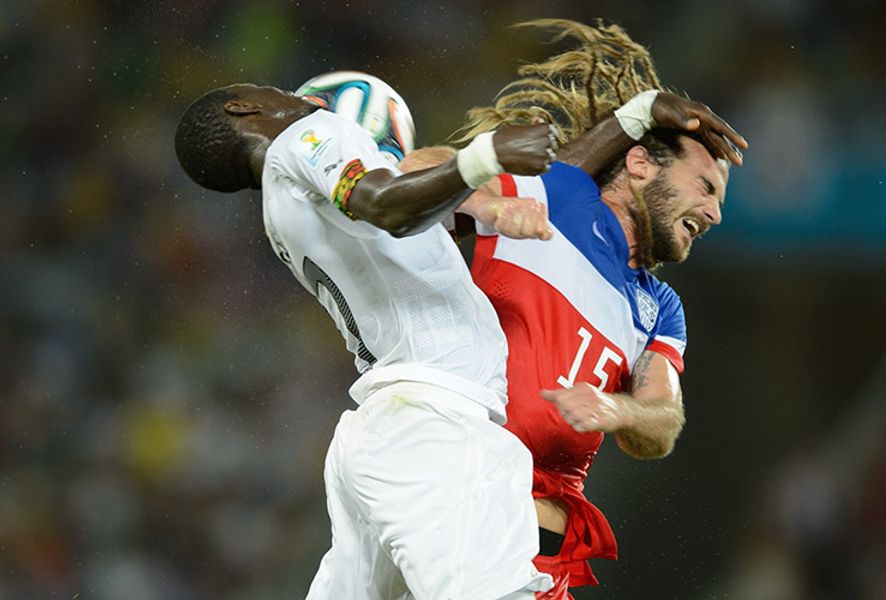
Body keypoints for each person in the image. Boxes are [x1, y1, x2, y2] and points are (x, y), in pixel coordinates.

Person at [402, 19, 748, 599]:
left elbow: (662, 422)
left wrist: (616, 409)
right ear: (640, 166)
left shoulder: (661, 309)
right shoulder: (555, 197)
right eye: (705, 187)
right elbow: (415, 172)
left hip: (539, 539)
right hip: (453, 484)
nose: (714, 214)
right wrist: (486, 206)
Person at [173, 82, 561, 599]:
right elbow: (384, 203)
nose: (287, 91)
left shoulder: (282, 205)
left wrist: (479, 207)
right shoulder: (306, 135)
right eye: (269, 88)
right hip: (431, 422)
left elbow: (405, 225)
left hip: (391, 423)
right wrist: (486, 156)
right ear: (245, 107)